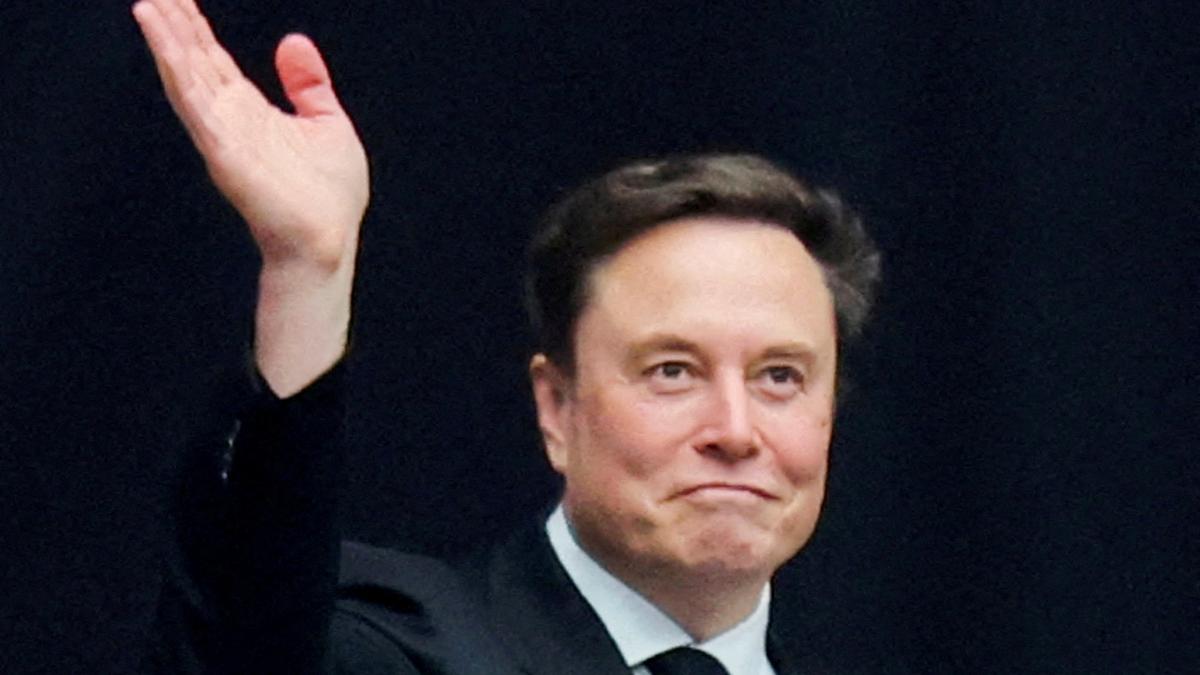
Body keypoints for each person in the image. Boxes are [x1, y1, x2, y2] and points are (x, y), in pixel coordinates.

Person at [132, 1, 880, 674]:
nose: (736, 431)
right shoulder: (387, 650)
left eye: (780, 376)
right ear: (557, 408)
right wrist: (308, 271)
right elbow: (246, 644)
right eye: (673, 371)